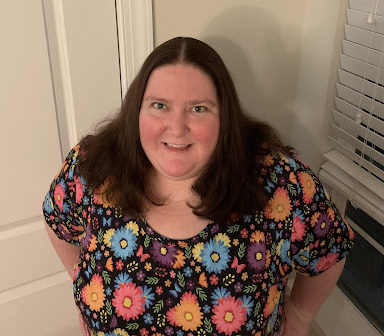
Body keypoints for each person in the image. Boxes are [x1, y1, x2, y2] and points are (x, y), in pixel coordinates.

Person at [43, 37, 354, 336]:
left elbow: (329, 250)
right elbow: (56, 219)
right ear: (137, 109)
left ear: (224, 116)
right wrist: (85, 289)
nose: (177, 128)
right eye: (160, 105)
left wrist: (299, 317)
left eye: (198, 108)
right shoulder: (92, 167)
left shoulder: (278, 182)